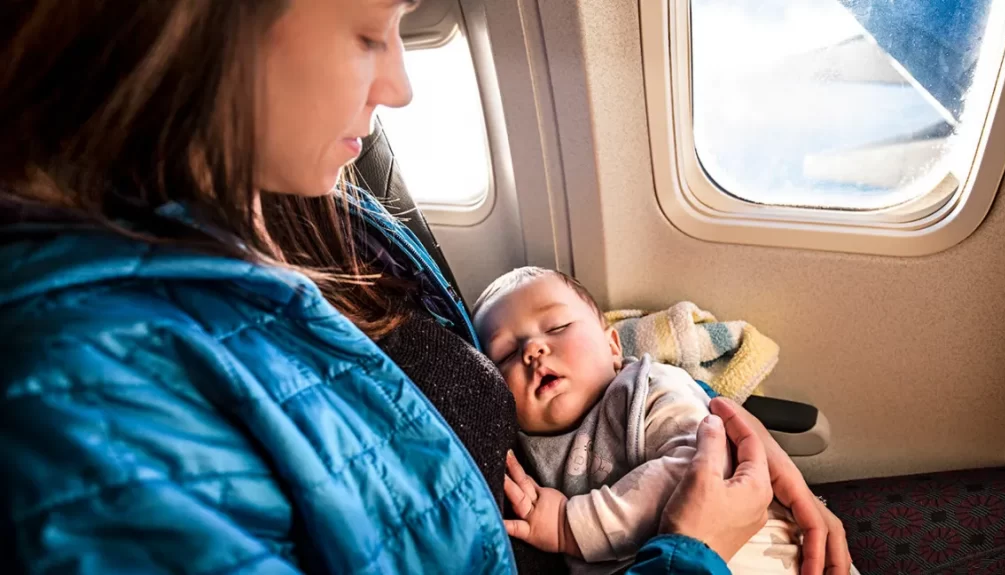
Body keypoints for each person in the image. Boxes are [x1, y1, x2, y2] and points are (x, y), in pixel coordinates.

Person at [0, 0, 849, 573]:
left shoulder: (325, 187)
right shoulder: (85, 407)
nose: (399, 86)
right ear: (198, 33)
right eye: (367, 32)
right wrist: (690, 547)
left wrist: (715, 436)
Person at [474, 268, 856, 575]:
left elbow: (697, 473)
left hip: (768, 555)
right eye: (506, 352)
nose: (533, 350)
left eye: (556, 327)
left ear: (612, 348)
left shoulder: (646, 388)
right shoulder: (519, 450)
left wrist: (567, 525)